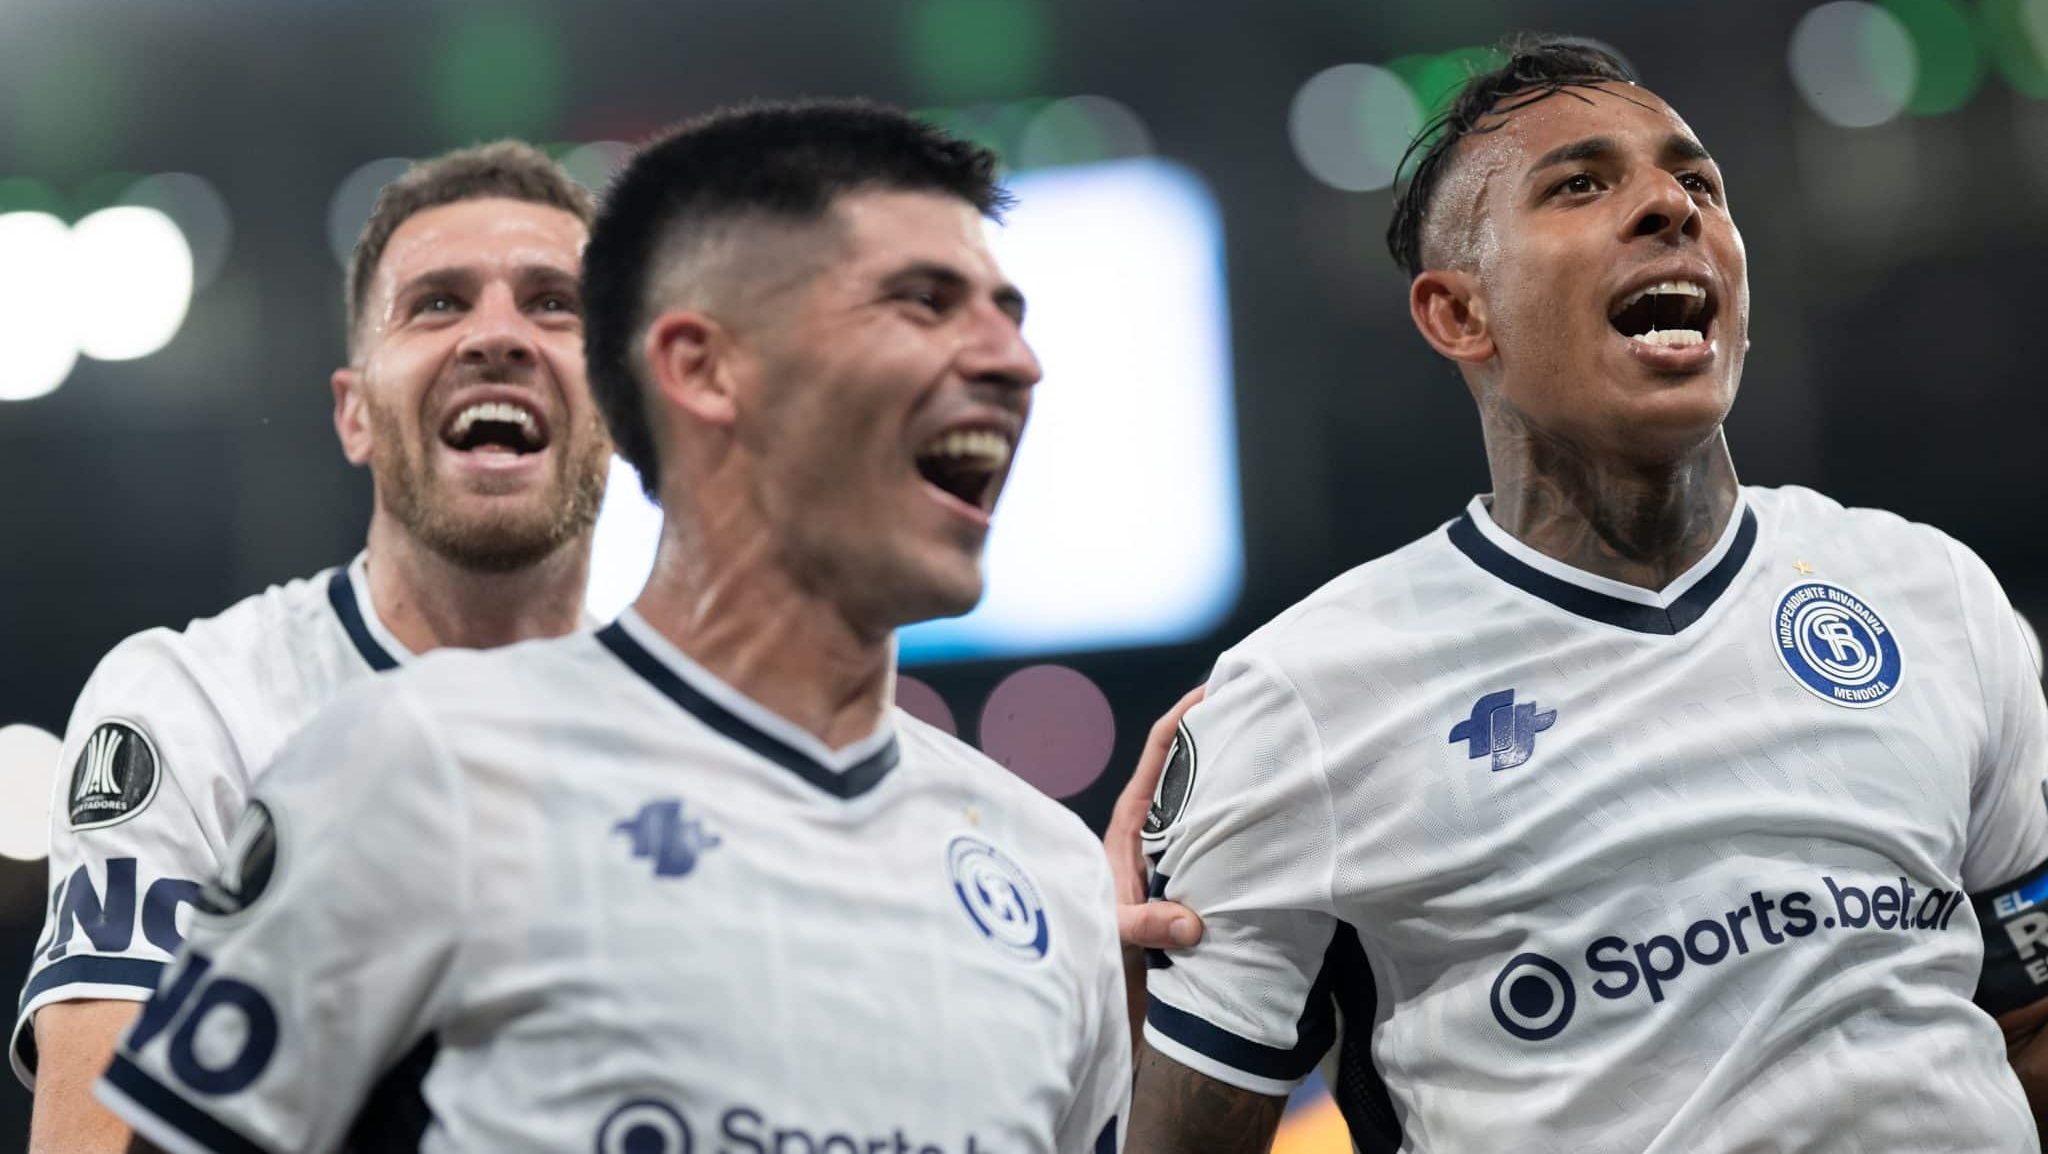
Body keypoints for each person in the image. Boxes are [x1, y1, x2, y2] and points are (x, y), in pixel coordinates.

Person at [95, 100, 1130, 1154]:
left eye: (1008, 310)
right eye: (922, 302)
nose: (1013, 360)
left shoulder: (1049, 873)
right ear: (700, 367)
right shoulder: (403, 761)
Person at [1119, 35, 2048, 1152]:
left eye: (1694, 180)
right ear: (1458, 313)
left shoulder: (1927, 591)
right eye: (1578, 184)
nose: (1668, 205)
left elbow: (2028, 1021)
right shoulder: (1304, 696)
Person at [12, 141, 612, 1153]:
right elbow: (91, 1139)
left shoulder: (696, 742)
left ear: (624, 411)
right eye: (436, 303)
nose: (496, 335)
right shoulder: (197, 700)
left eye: (552, 301)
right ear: (353, 414)